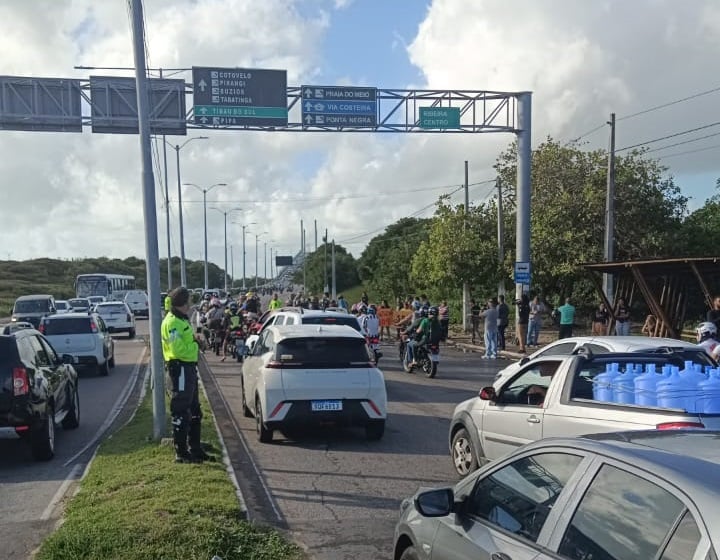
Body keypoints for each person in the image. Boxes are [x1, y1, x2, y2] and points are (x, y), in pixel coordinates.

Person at [161, 287, 210, 463]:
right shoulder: (173, 322)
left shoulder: (181, 320)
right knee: (181, 411)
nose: (190, 304)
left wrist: (195, 339)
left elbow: (184, 341)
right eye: (188, 301)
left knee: (195, 410)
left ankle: (195, 448)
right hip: (180, 369)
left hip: (188, 368)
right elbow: (177, 349)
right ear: (182, 303)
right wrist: (197, 345)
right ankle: (181, 452)